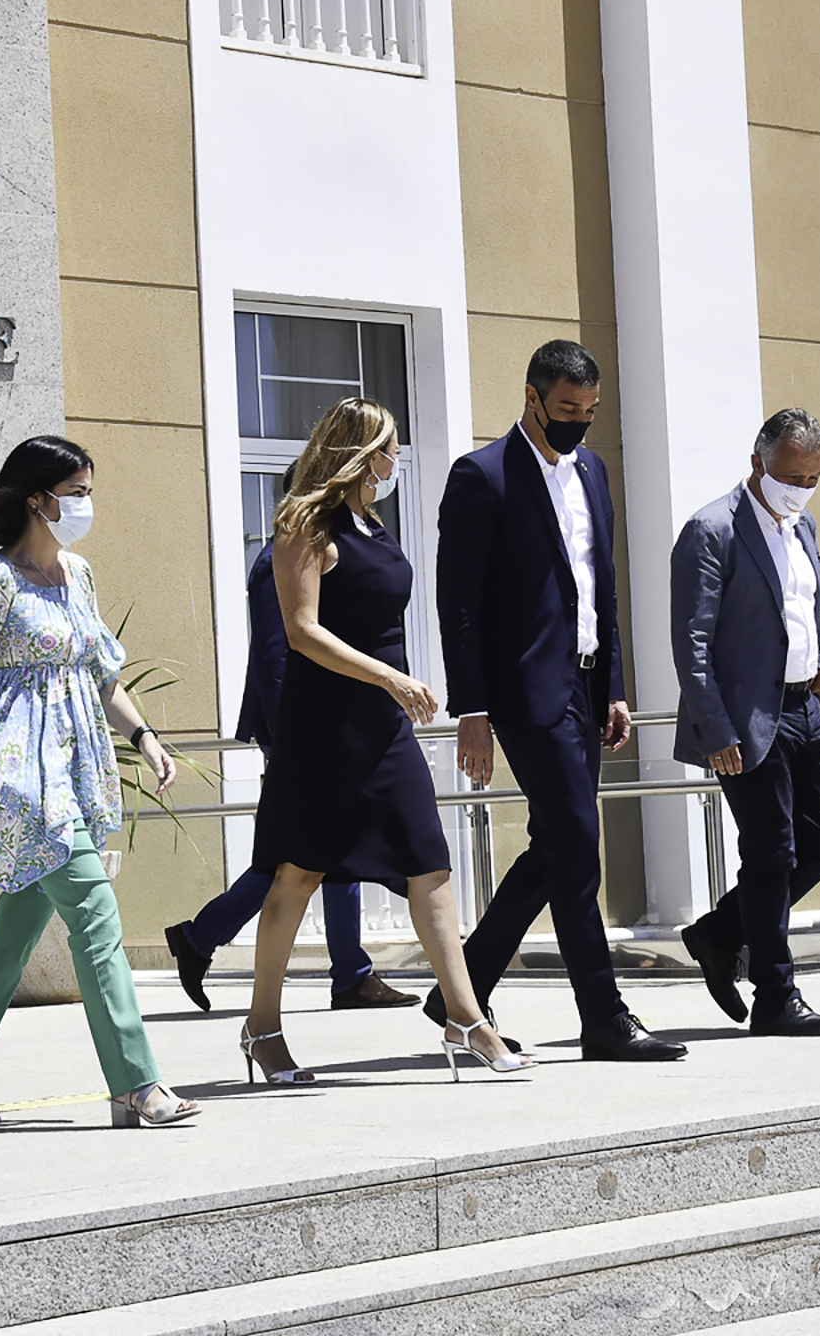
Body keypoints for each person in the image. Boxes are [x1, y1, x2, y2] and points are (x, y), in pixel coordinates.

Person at [240, 399, 531, 1085]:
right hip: (323, 724)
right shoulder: (303, 524)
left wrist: (393, 690)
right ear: (363, 451)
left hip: (383, 728)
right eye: (390, 447)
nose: (396, 460)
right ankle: (261, 1028)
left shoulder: (373, 523)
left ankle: (466, 1016)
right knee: (299, 873)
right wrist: (393, 678)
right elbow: (302, 629)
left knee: (428, 863)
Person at [0, 435, 198, 1128]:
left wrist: (146, 736)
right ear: (36, 498)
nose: (84, 504)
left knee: (12, 938)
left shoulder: (78, 574)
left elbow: (101, 675)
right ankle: (136, 1085)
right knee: (97, 921)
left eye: (87, 490)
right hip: (21, 782)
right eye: (74, 492)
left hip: (73, 774)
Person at [436, 341, 685, 1063]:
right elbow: (461, 605)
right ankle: (602, 1017)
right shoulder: (481, 476)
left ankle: (460, 989)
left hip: (582, 684)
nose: (580, 421)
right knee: (577, 842)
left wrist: (611, 686)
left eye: (591, 411)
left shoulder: (594, 473)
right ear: (532, 397)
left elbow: (600, 589)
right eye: (568, 409)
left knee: (557, 846)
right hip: (524, 691)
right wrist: (472, 709)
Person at [162, 465, 417, 1015]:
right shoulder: (286, 555)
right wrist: (292, 733)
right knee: (305, 855)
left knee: (317, 853)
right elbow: (282, 650)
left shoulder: (344, 543)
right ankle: (215, 939)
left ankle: (340, 968)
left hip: (331, 726)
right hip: (301, 729)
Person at [672, 409, 820, 1036]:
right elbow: (691, 643)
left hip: (807, 707)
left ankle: (720, 933)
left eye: (812, 478)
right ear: (758, 462)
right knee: (771, 851)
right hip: (746, 719)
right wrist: (715, 728)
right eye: (790, 476)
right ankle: (775, 996)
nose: (800, 488)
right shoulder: (712, 529)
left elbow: (815, 609)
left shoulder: (801, 529)